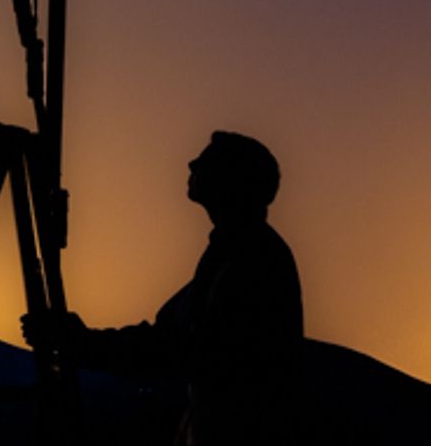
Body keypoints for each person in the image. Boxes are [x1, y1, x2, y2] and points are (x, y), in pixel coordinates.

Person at [24, 131, 304, 445]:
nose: (191, 162)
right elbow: (172, 339)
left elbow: (178, 349)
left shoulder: (251, 259)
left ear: (233, 179)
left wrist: (82, 343)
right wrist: (83, 341)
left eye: (207, 159)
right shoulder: (235, 252)